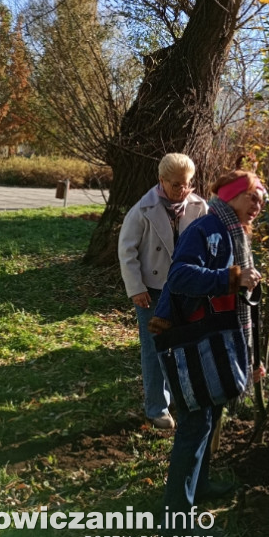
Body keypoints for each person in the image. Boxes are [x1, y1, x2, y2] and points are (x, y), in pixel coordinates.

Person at [149, 170, 266, 518]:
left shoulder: (234, 235)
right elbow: (180, 275)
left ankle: (199, 486)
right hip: (195, 343)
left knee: (210, 417)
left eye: (261, 200)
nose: (257, 206)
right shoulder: (207, 230)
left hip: (217, 339)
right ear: (231, 196)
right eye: (252, 198)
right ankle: (176, 514)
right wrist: (230, 278)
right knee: (195, 425)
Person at [118, 153, 208, 429]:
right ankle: (157, 407)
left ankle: (182, 398)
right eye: (176, 185)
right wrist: (136, 289)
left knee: (183, 345)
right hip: (152, 292)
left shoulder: (199, 207)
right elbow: (127, 251)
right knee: (155, 349)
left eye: (188, 184)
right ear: (162, 181)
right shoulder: (143, 209)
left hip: (186, 290)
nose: (183, 190)